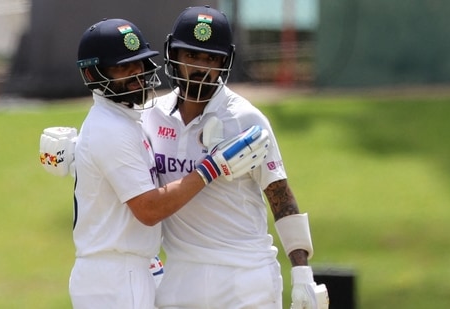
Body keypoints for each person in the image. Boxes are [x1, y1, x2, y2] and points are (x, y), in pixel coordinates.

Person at [38, 18, 270, 309]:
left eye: (139, 64)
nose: (137, 74)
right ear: (91, 73)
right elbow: (149, 209)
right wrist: (213, 167)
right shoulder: (112, 129)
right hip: (115, 277)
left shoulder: (125, 121)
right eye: (123, 67)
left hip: (125, 269)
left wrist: (78, 154)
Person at [141, 6, 328, 309]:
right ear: (173, 54)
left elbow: (281, 197)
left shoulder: (245, 119)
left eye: (211, 58)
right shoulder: (152, 116)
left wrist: (303, 274)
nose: (202, 67)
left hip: (245, 277)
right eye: (192, 55)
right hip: (180, 276)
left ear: (224, 62)